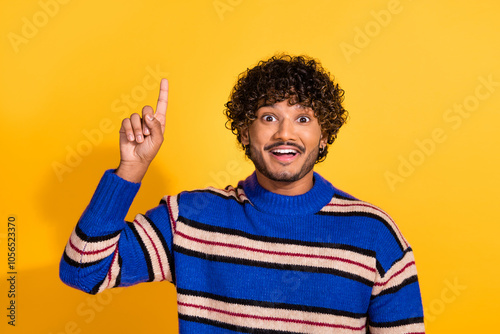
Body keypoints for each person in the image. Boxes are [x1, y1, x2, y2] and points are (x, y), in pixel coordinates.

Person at [60, 55, 425, 333]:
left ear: (324, 134)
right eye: (268, 117)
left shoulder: (375, 234)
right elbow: (83, 273)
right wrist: (131, 169)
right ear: (244, 132)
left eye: (303, 118)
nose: (285, 134)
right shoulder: (192, 217)